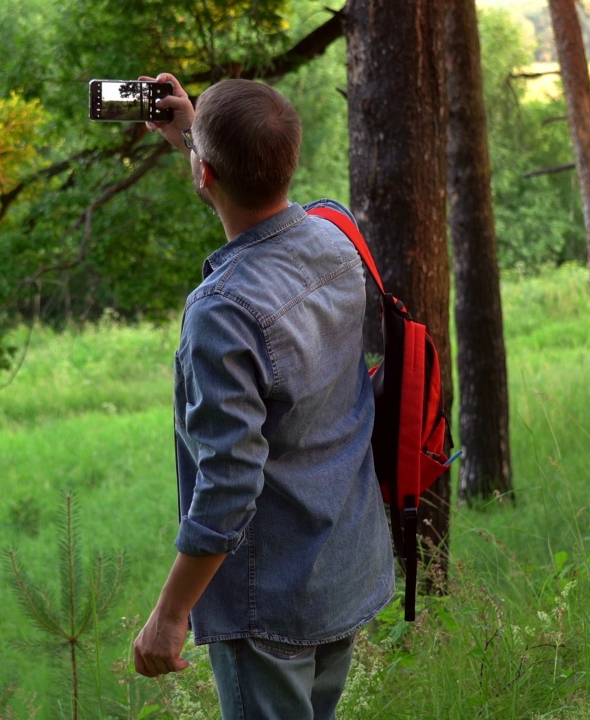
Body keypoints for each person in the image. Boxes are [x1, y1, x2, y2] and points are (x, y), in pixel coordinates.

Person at [130, 73, 395, 720]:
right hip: (343, 565)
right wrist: (197, 138)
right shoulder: (336, 242)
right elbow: (262, 215)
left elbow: (228, 485)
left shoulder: (220, 313)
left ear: (205, 176)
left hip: (271, 596)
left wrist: (170, 616)